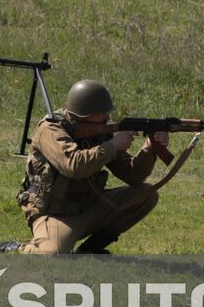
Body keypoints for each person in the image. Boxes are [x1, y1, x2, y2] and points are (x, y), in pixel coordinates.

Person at [13, 80, 165, 255]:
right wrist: (113, 146)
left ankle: (90, 249)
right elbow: (73, 165)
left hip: (88, 206)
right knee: (50, 255)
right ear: (85, 114)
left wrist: (150, 148)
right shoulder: (51, 129)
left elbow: (133, 176)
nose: (107, 117)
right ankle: (13, 248)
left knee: (146, 194)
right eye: (102, 113)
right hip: (55, 213)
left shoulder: (99, 131)